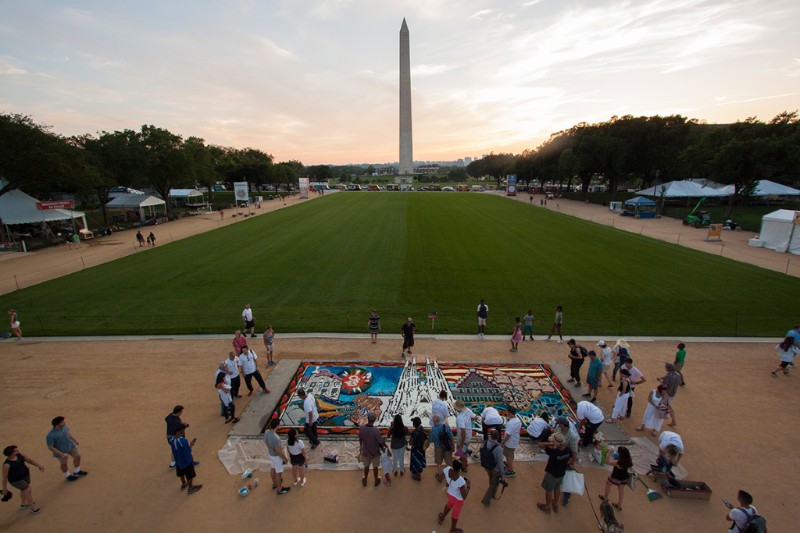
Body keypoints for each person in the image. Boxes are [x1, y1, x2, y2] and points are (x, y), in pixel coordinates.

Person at [536, 433, 575, 514]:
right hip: (561, 473)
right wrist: (566, 463)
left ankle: (547, 507)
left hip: (552, 474)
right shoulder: (567, 449)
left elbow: (540, 445)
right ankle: (555, 504)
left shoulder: (554, 451)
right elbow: (571, 458)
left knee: (549, 490)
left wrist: (550, 443)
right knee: (557, 488)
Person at [2, 445, 44, 515]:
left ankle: (23, 503)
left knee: (24, 489)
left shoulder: (20, 454)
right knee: (28, 490)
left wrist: (38, 465)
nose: (18, 450)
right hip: (16, 480)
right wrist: (4, 489)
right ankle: (33, 508)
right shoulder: (6, 465)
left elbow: (29, 460)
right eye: (15, 450)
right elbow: (5, 477)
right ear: (11, 453)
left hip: (25, 475)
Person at [45, 416, 87, 482]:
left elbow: (68, 433)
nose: (64, 422)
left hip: (71, 445)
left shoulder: (64, 426)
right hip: (61, 451)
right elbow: (50, 447)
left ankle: (77, 471)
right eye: (62, 422)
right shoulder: (50, 435)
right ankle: (67, 475)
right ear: (57, 424)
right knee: (64, 464)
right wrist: (61, 454)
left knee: (78, 456)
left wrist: (75, 440)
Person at [437, 460, 471, 533]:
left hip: (449, 494)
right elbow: (464, 496)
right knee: (455, 514)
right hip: (458, 500)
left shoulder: (447, 469)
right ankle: (453, 529)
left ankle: (442, 517)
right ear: (459, 469)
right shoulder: (461, 481)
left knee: (449, 505)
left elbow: (440, 479)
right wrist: (468, 486)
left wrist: (448, 481)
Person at [169, 423, 202, 494]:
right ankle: (191, 488)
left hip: (178, 461)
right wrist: (191, 445)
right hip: (186, 462)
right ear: (181, 430)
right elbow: (187, 451)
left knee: (181, 474)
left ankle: (184, 484)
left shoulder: (171, 439)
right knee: (189, 475)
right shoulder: (183, 441)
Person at [554, 416, 580, 507]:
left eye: (559, 423)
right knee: (557, 473)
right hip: (558, 456)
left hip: (566, 458)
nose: (557, 425)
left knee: (567, 477)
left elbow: (574, 450)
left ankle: (566, 497)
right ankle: (557, 486)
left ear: (563, 425)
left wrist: (572, 463)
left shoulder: (572, 436)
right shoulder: (558, 428)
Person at [601, 446, 632, 511]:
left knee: (608, 483)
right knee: (621, 491)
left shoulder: (618, 462)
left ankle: (605, 497)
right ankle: (619, 505)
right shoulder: (628, 461)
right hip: (624, 478)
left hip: (615, 477)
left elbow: (607, 462)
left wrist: (608, 453)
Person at [264, 418, 290, 494]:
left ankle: (274, 483)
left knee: (273, 468)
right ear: (277, 426)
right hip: (276, 457)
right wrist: (285, 459)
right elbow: (278, 451)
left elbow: (266, 442)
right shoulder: (276, 438)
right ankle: (279, 489)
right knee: (279, 472)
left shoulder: (267, 432)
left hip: (270, 454)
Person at [479, 429, 505, 507]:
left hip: (487, 466)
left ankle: (493, 494)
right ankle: (486, 499)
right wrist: (503, 474)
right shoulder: (498, 448)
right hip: (495, 469)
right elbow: (500, 463)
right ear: (498, 437)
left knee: (491, 480)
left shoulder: (486, 442)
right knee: (494, 484)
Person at [358, 411, 384, 488]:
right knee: (375, 467)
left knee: (366, 466)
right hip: (375, 452)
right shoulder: (375, 430)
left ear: (368, 418)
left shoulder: (362, 429)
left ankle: (365, 479)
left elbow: (360, 439)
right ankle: (376, 480)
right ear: (374, 419)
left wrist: (361, 448)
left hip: (366, 451)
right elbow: (380, 441)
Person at [165, 405, 195, 469]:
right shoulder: (176, 422)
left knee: (174, 449)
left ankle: (173, 463)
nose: (181, 413)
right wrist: (185, 425)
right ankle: (189, 462)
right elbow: (180, 427)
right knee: (183, 448)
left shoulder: (170, 416)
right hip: (174, 437)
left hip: (169, 436)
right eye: (181, 412)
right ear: (178, 412)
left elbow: (166, 419)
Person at [430, 413, 454, 483]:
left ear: (434, 421)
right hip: (447, 447)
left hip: (438, 448)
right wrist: (453, 446)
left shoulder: (433, 430)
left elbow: (431, 440)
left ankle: (440, 477)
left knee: (439, 463)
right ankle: (450, 479)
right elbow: (451, 436)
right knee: (449, 463)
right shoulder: (446, 427)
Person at [658, 363, 681, 427]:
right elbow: (678, 382)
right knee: (669, 406)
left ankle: (673, 421)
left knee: (667, 407)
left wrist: (660, 380)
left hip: (667, 394)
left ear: (668, 369)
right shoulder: (678, 374)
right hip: (673, 394)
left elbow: (663, 386)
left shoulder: (668, 376)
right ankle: (673, 421)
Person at [501, 406, 521, 477]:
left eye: (507, 412)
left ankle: (511, 470)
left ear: (509, 413)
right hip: (515, 440)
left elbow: (508, 435)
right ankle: (508, 463)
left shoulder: (511, 423)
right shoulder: (518, 420)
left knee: (507, 454)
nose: (506, 413)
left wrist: (503, 442)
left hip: (510, 441)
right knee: (511, 453)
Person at [409, 417, 427, 481]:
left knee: (415, 462)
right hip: (421, 449)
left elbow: (410, 443)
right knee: (420, 461)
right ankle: (418, 474)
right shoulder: (422, 430)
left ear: (414, 424)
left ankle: (417, 476)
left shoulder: (414, 433)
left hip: (415, 450)